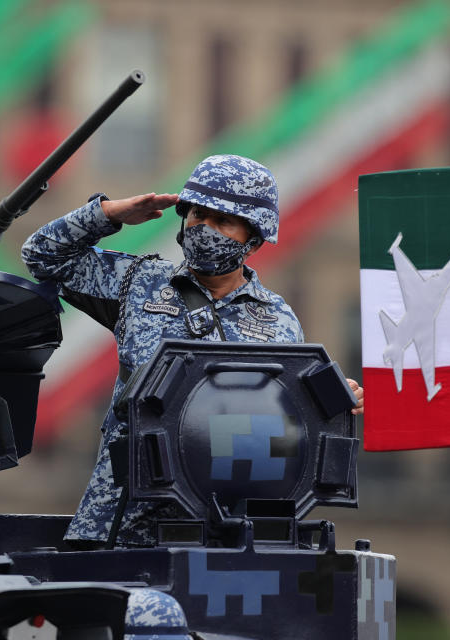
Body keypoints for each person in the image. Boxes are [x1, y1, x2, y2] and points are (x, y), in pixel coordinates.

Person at [22, 154, 363, 549]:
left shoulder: (277, 319)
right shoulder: (139, 282)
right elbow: (41, 256)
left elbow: (285, 420)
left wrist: (331, 401)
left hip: (224, 529)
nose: (205, 228)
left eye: (223, 221)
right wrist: (109, 213)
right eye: (198, 214)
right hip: (121, 520)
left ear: (253, 237)